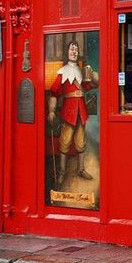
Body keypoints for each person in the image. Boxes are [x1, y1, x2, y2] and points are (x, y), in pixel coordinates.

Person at [47, 40, 99, 186]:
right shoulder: (62, 72)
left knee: (81, 141)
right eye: (71, 49)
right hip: (68, 112)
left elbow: (93, 84)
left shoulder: (82, 71)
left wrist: (93, 72)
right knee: (65, 141)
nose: (74, 51)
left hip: (81, 111)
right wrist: (51, 111)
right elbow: (54, 93)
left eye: (76, 49)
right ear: (67, 52)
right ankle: (62, 171)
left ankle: (81, 169)